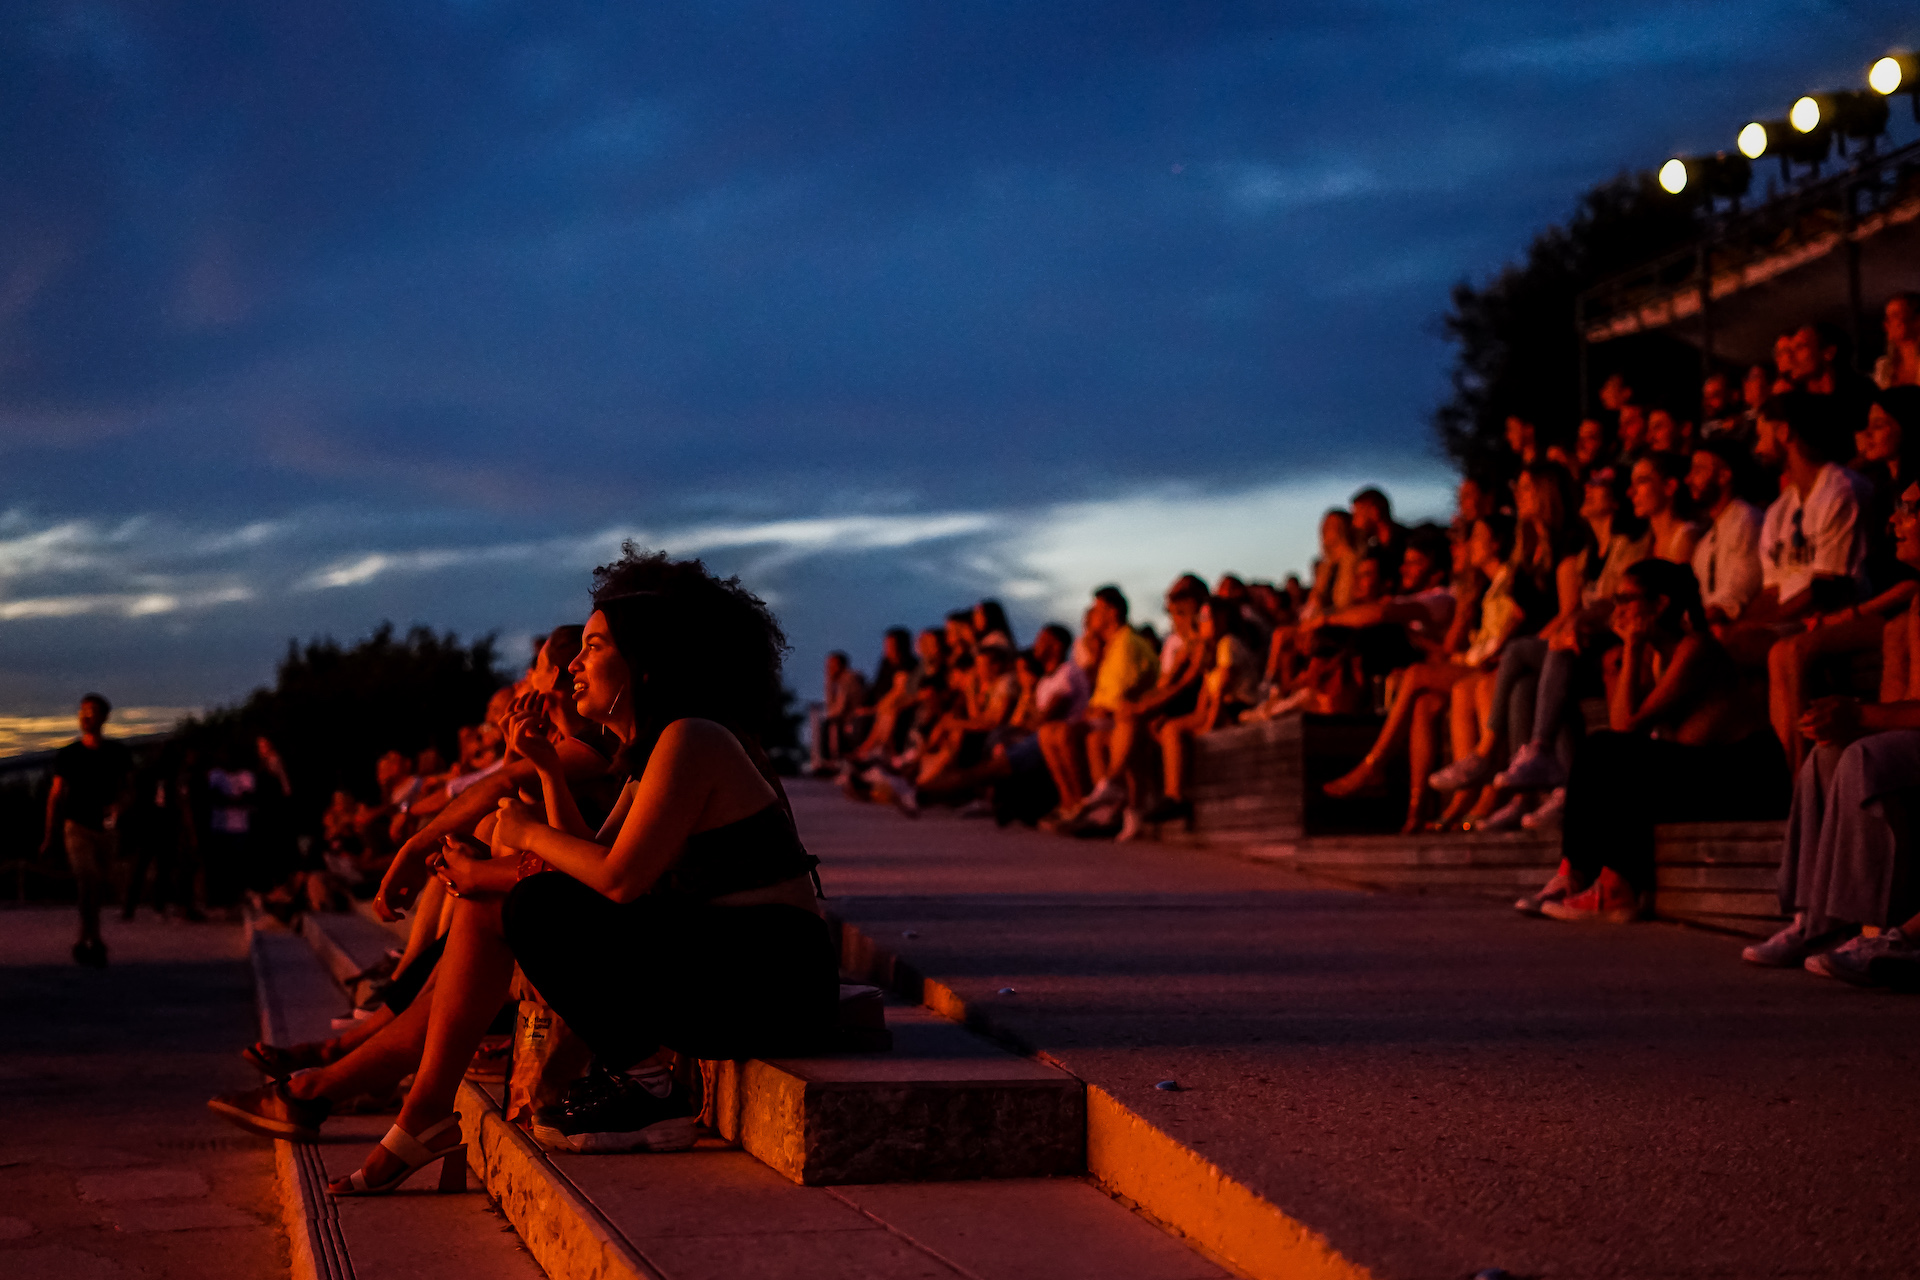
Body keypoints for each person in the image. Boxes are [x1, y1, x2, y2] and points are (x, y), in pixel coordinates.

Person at [1517, 559, 1787, 921]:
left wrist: (1632, 645)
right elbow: (1619, 729)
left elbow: (1628, 732)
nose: (1619, 608)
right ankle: (1574, 873)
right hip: (1703, 771)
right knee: (1601, 748)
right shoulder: (1657, 656)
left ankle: (1617, 889)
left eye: (1627, 598)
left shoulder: (1696, 648)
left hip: (1745, 776)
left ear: (1660, 604)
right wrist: (1633, 648)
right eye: (1616, 599)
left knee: (1607, 751)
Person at [1742, 478, 1920, 973]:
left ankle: (1875, 930)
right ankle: (1816, 919)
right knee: (1828, 752)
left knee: (1866, 754)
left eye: (1909, 509)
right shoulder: (1908, 611)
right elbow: (1897, 708)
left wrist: (1863, 717)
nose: (1894, 521)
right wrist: (1851, 721)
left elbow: (1888, 721)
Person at [42, 694, 132, 966]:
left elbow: (130, 788)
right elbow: (56, 795)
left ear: (104, 717)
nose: (85, 717)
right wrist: (49, 834)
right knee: (87, 878)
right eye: (82, 712)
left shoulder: (117, 753)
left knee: (98, 884)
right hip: (77, 827)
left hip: (106, 829)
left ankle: (86, 936)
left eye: (91, 712)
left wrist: (119, 807)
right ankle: (93, 939)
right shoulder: (69, 754)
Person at [1687, 439, 1764, 626]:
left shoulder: (1747, 520)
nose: (1689, 479)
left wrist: (1706, 617)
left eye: (1699, 470)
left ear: (1724, 476)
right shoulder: (1705, 543)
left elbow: (1739, 590)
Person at [1875, 292, 1920, 390]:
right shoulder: (1883, 367)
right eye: (1887, 317)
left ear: (1917, 320)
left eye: (1895, 315)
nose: (1887, 323)